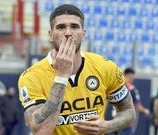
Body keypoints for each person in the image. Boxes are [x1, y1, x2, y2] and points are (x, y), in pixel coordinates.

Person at [18, 4, 136, 135]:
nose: (68, 33)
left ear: (83, 33)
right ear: (51, 35)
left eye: (74, 27)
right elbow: (40, 130)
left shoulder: (105, 67)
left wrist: (107, 126)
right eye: (61, 27)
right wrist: (61, 76)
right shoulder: (32, 76)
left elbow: (128, 110)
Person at [116, 67, 150, 135]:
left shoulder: (117, 86)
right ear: (130, 76)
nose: (133, 78)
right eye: (133, 76)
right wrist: (145, 111)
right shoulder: (132, 88)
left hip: (117, 118)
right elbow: (137, 106)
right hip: (128, 119)